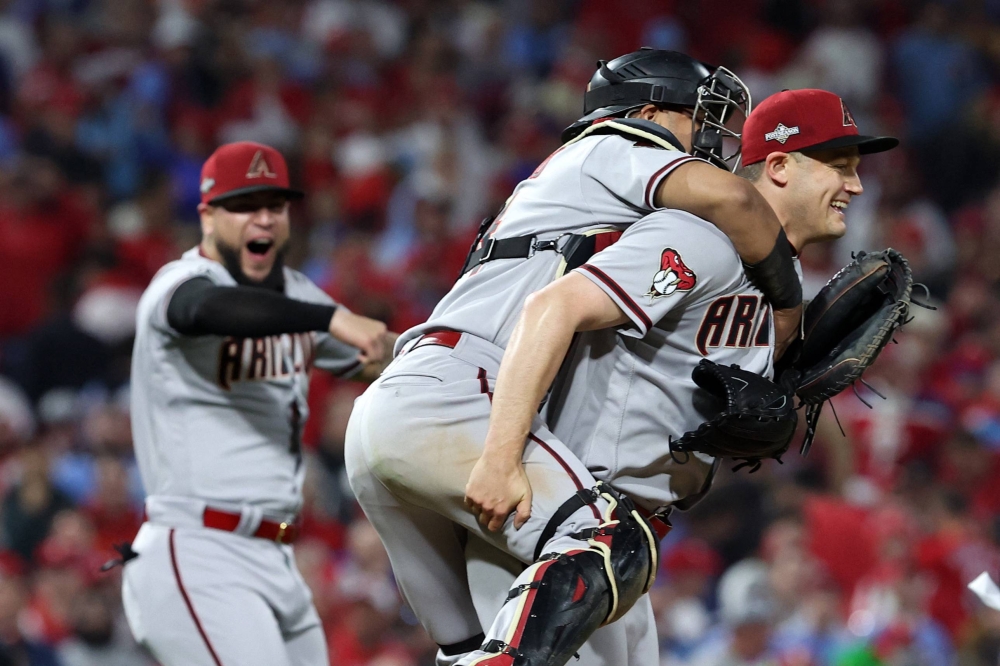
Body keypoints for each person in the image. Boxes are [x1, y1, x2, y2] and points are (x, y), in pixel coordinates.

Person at [345, 48, 804, 666]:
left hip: (397, 412)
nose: (704, 137)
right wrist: (786, 299)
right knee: (612, 540)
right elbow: (738, 202)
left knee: (470, 648)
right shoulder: (610, 144)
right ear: (646, 111)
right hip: (461, 392)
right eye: (693, 118)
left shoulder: (570, 188)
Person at [462, 88, 898, 665]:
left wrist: (784, 382)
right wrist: (502, 457)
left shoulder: (779, 288)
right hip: (562, 521)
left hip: (621, 541)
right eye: (838, 167)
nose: (856, 185)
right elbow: (554, 308)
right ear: (779, 165)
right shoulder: (702, 239)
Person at [121, 141, 393, 666]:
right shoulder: (178, 284)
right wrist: (329, 318)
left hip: (276, 555)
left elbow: (381, 356)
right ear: (207, 217)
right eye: (244, 206)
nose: (262, 219)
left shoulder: (293, 293)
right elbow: (209, 308)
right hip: (198, 548)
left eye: (274, 205)